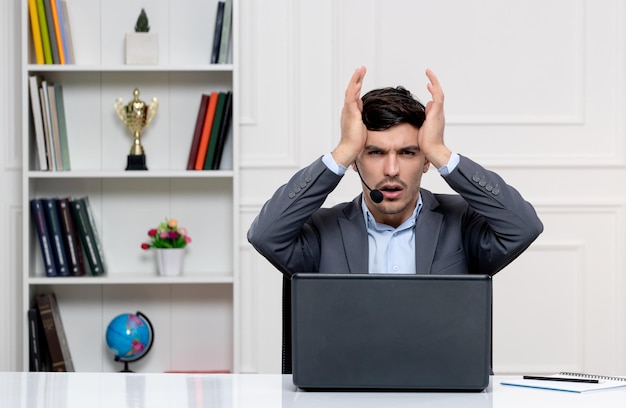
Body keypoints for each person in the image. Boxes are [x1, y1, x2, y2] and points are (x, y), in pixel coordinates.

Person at [247, 66, 543, 276]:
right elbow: (265, 236)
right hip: (352, 366)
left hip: (441, 366)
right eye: (375, 152)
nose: (391, 170)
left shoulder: (461, 223)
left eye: (407, 153)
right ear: (355, 160)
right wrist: (341, 151)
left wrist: (440, 152)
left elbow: (523, 227)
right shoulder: (324, 232)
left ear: (425, 160)